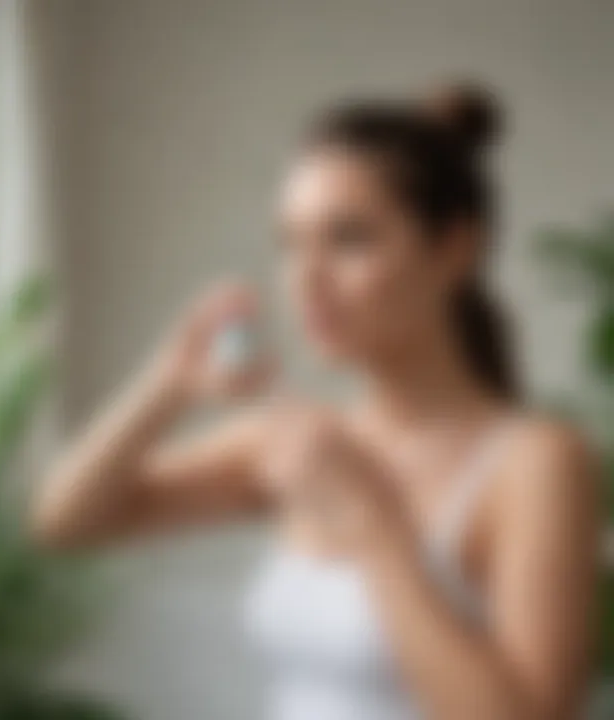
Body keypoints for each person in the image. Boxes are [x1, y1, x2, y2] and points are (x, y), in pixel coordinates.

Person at [32, 83, 601, 720]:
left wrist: (375, 529)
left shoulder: (538, 461)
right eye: (291, 243)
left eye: (349, 239)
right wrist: (166, 386)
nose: (306, 277)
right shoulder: (299, 441)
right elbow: (64, 521)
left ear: (455, 249)